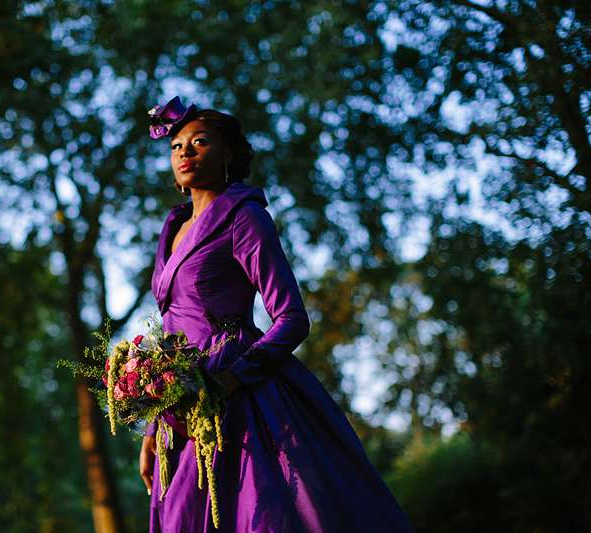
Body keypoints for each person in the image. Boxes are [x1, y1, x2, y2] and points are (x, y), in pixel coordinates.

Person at [139, 96, 413, 532]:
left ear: (228, 153)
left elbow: (291, 317)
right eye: (176, 146)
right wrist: (155, 427)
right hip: (182, 408)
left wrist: (231, 379)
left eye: (199, 141)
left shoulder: (244, 217)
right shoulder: (172, 228)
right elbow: (172, 331)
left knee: (260, 512)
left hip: (242, 396)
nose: (184, 152)